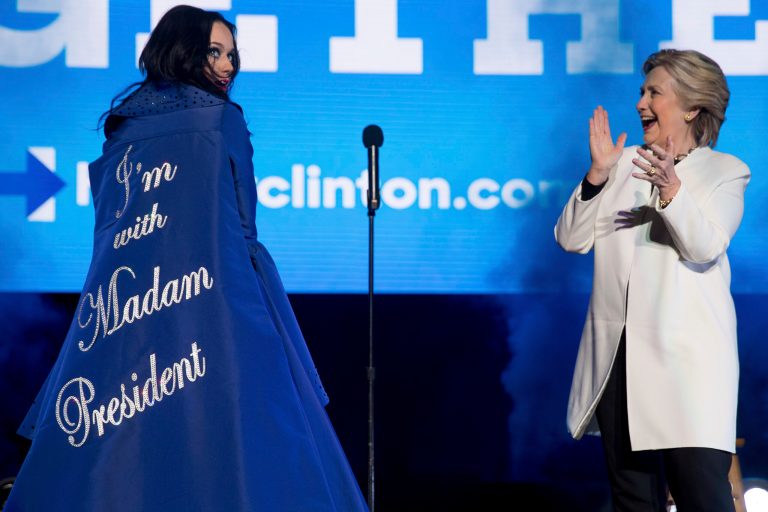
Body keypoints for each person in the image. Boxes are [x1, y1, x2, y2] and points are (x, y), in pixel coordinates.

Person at [4, 5, 368, 511]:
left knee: (124, 445)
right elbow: (244, 229)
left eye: (232, 55)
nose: (227, 66)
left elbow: (108, 238)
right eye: (214, 52)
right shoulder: (223, 120)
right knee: (232, 445)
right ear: (182, 51)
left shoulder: (120, 131)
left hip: (127, 317)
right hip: (218, 310)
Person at [555, 49, 750, 511]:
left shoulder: (725, 171)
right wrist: (598, 175)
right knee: (633, 502)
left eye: (654, 93)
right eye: (642, 92)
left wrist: (672, 191)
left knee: (703, 499)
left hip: (689, 368)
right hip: (619, 363)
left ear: (691, 107)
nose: (641, 102)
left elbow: (704, 246)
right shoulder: (620, 164)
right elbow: (570, 238)